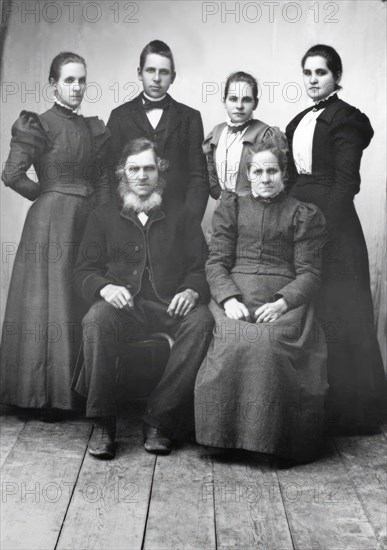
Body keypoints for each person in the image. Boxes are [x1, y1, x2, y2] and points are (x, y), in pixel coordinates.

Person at [72, 138, 214, 459]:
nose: (141, 176)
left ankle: (160, 420)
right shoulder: (103, 215)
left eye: (149, 168)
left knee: (202, 321)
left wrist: (191, 290)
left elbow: (200, 267)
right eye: (133, 169)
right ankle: (104, 422)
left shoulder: (181, 215)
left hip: (169, 306)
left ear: (160, 171)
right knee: (96, 319)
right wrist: (104, 288)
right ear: (122, 172)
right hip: (124, 310)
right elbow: (82, 271)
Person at [195, 131, 328, 463]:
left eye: (272, 172)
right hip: (236, 294)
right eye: (258, 172)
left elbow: (310, 273)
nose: (265, 178)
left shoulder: (302, 214)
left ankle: (272, 441)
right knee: (234, 338)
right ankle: (223, 439)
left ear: (284, 173)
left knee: (270, 343)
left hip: (284, 299)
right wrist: (228, 299)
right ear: (248, 174)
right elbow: (216, 263)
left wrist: (283, 302)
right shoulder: (233, 206)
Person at [0, 52, 110, 412]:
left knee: (78, 295)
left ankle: (73, 395)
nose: (77, 88)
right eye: (69, 81)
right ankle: (42, 396)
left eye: (81, 80)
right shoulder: (39, 123)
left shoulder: (91, 127)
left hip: (86, 220)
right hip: (51, 226)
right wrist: (48, 196)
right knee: (51, 301)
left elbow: (100, 177)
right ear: (53, 84)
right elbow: (12, 174)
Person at [286, 44, 386, 433]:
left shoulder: (347, 120)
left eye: (321, 73)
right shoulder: (297, 121)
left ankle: (353, 411)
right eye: (308, 72)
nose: (313, 80)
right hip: (301, 222)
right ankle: (314, 404)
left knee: (342, 312)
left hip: (336, 229)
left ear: (336, 76)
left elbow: (347, 183)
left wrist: (318, 227)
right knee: (311, 311)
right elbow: (294, 178)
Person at [106, 39, 209, 221]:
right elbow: (109, 173)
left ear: (173, 77)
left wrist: (189, 220)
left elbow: (198, 177)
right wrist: (119, 218)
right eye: (150, 70)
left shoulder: (190, 118)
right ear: (140, 73)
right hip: (130, 219)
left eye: (163, 72)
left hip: (177, 221)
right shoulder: (119, 116)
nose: (156, 78)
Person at [203, 71, 278, 199]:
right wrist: (220, 195)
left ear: (256, 103)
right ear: (224, 101)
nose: (239, 106)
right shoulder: (216, 133)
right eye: (233, 99)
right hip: (223, 210)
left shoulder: (265, 134)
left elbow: (274, 178)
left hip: (256, 211)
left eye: (246, 100)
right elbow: (211, 172)